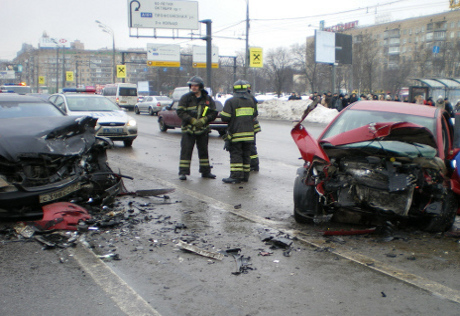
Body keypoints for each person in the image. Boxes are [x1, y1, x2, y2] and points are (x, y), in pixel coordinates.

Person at [176, 76, 218, 181]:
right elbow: (180, 112)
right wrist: (191, 120)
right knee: (186, 151)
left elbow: (213, 112)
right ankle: (183, 173)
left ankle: (205, 171)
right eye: (192, 86)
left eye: (196, 86)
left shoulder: (207, 99)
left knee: (203, 151)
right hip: (188, 130)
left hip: (203, 130)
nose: (193, 88)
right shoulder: (185, 98)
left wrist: (204, 120)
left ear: (200, 87)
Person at [220, 80, 258, 184]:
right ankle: (245, 176)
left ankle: (236, 176)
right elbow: (255, 114)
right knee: (246, 155)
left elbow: (225, 117)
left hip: (236, 134)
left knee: (236, 154)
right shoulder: (251, 101)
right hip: (249, 134)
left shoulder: (231, 101)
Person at [243, 80, 261, 172]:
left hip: (248, 126)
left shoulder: (247, 97)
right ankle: (254, 164)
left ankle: (253, 165)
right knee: (252, 145)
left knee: (250, 146)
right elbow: (255, 112)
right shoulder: (252, 97)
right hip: (252, 126)